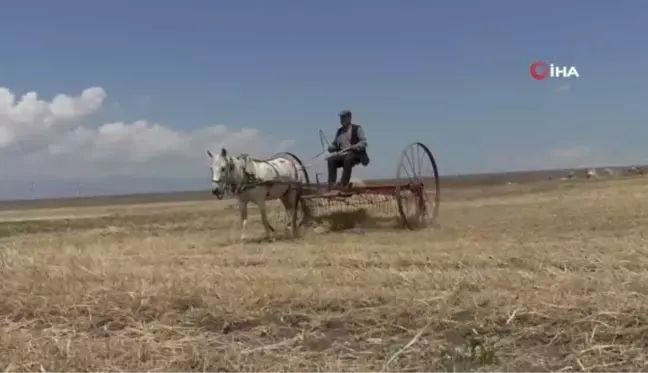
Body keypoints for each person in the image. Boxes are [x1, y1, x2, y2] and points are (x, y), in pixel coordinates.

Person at [327, 110, 370, 189]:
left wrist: (355, 146)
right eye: (341, 118)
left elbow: (364, 142)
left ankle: (344, 184)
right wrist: (331, 148)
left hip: (356, 154)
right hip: (343, 154)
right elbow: (335, 144)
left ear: (349, 118)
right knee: (331, 160)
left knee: (348, 159)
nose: (342, 120)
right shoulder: (339, 131)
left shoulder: (357, 129)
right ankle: (331, 185)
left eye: (344, 118)